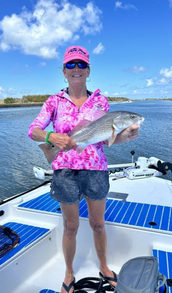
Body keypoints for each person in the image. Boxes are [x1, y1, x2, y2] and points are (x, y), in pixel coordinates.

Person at [28, 46, 140, 293]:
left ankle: (104, 266)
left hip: (96, 170)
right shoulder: (53, 102)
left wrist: (125, 137)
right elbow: (33, 130)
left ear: (88, 71)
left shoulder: (100, 101)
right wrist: (51, 137)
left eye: (81, 65)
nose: (76, 69)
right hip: (65, 171)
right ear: (64, 72)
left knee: (98, 224)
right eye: (70, 65)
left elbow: (105, 138)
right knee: (71, 226)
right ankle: (69, 272)